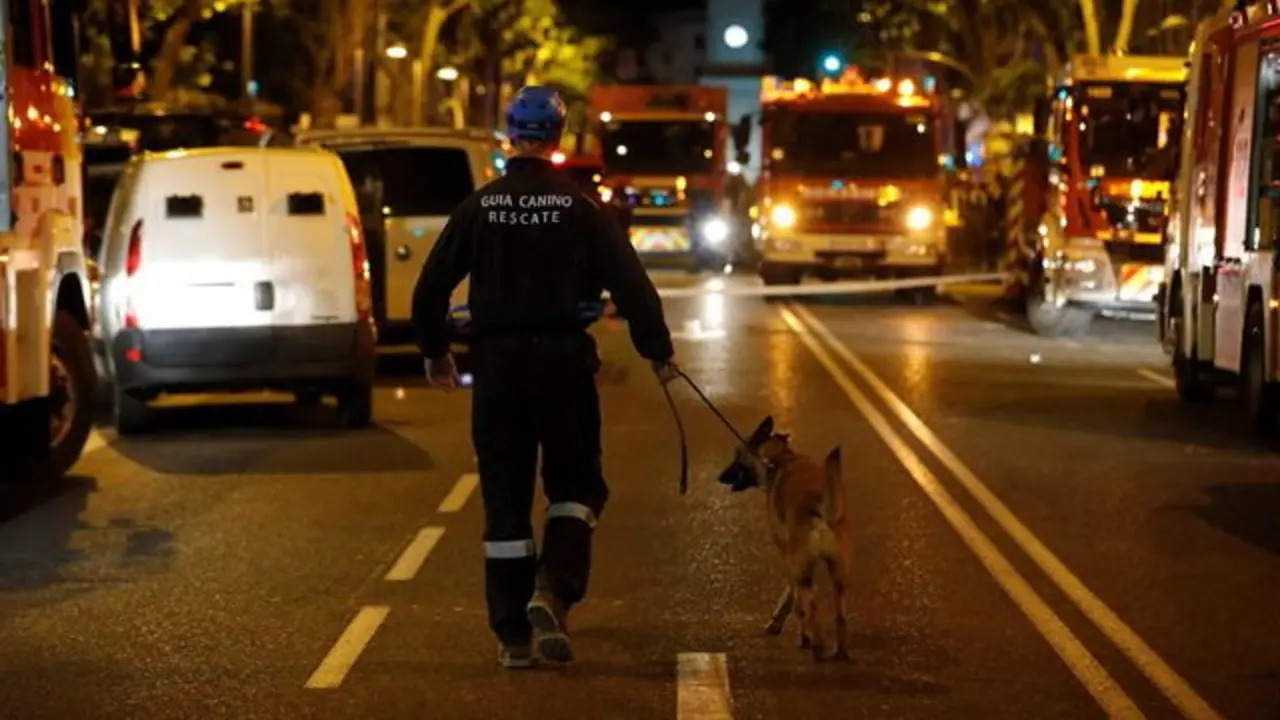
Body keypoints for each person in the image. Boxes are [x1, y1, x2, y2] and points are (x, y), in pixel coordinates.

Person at [411, 85, 678, 669]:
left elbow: (430, 288)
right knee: (578, 488)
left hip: (498, 371)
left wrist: (436, 352)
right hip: (563, 367)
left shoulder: (478, 208)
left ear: (511, 135)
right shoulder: (584, 208)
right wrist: (656, 349)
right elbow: (632, 284)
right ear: (559, 138)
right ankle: (552, 590)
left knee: (505, 501)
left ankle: (511, 639)